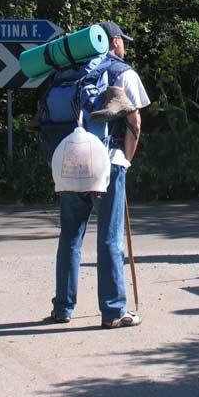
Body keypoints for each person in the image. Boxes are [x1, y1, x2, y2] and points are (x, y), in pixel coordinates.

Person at [50, 21, 150, 328]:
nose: (124, 47)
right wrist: (126, 161)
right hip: (108, 161)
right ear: (115, 41)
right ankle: (113, 311)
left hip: (70, 161)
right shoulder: (122, 72)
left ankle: (63, 308)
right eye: (123, 41)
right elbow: (135, 121)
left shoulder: (70, 74)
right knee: (109, 236)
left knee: (70, 235)